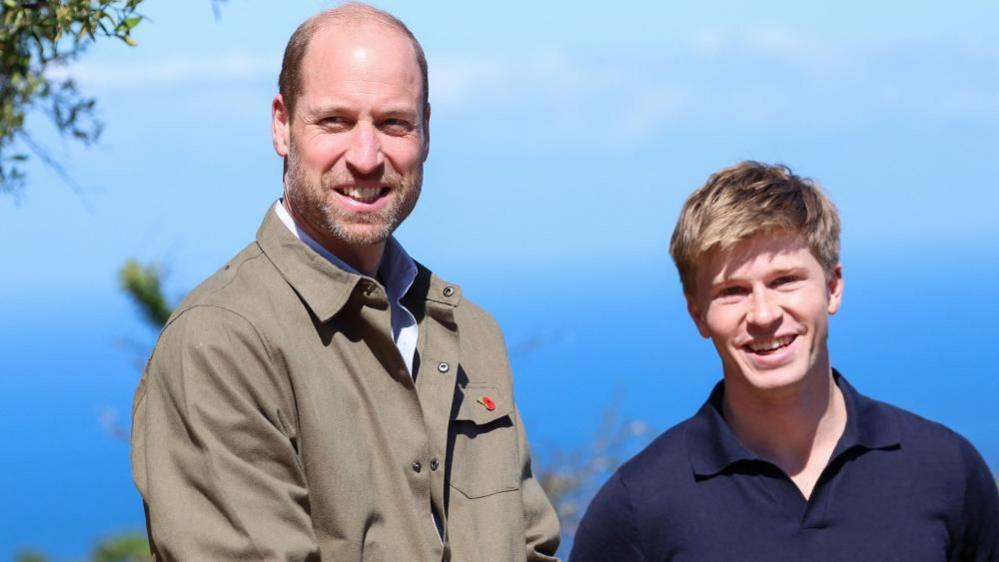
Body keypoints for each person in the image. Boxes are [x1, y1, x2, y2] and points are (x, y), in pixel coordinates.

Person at [130, 4, 560, 560]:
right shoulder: (222, 343)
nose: (365, 156)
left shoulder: (470, 333)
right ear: (282, 125)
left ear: (426, 130)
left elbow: (532, 546)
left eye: (393, 123)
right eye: (334, 121)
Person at [570, 161, 998, 561]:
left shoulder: (944, 471)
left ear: (832, 287)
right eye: (732, 291)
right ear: (698, 314)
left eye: (785, 281)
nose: (763, 314)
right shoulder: (640, 507)